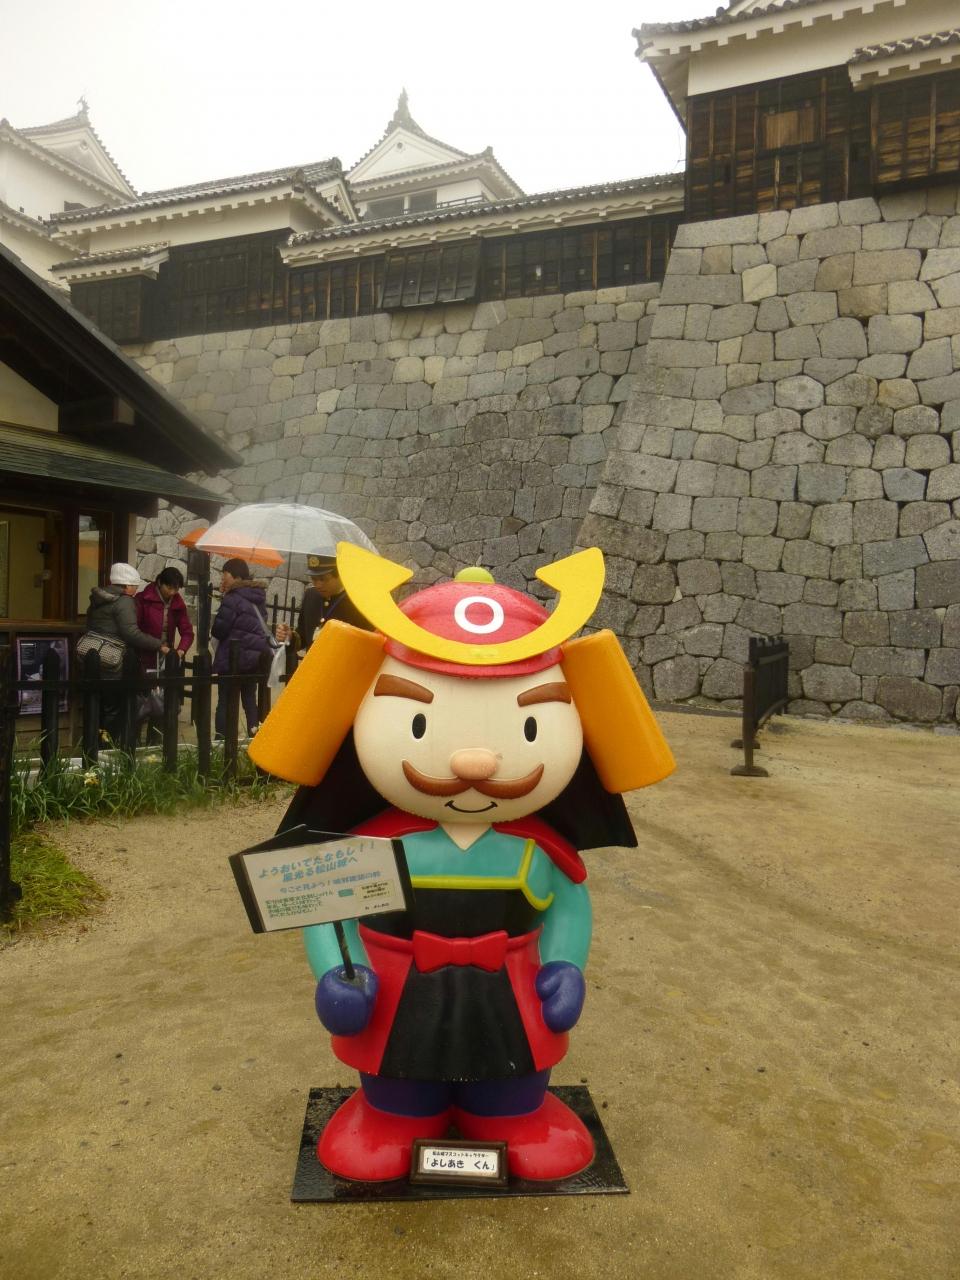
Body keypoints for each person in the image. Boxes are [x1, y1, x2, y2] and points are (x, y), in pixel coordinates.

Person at [248, 545, 676, 1183]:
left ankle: (512, 1114)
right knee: (397, 1078)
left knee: (513, 1074)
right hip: (398, 988)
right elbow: (328, 914)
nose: (474, 763)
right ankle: (392, 1114)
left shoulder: (536, 849)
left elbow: (567, 905)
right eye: (418, 724)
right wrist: (339, 972)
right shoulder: (371, 845)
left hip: (509, 988)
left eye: (529, 730)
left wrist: (564, 964)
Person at [85, 562, 170, 742]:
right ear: (126, 585)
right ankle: (108, 746)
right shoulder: (124, 601)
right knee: (114, 707)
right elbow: (131, 633)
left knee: (96, 705)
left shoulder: (98, 598)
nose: (136, 589)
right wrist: (158, 644)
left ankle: (92, 744)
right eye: (134, 585)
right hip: (112, 659)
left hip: (92, 656)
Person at [211, 557, 270, 739]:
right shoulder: (258, 597)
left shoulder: (233, 598)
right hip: (253, 658)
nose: (223, 579)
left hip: (232, 658)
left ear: (236, 577)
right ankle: (255, 737)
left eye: (225, 575)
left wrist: (225, 599)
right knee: (250, 700)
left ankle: (222, 741)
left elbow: (219, 629)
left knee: (225, 701)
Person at [135, 567, 194, 742]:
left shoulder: (177, 603)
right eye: (169, 587)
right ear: (159, 582)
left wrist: (181, 650)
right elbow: (135, 630)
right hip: (143, 656)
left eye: (176, 589)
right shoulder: (143, 600)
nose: (172, 592)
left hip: (165, 659)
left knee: (161, 701)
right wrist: (156, 646)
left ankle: (155, 742)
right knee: (140, 701)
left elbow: (187, 631)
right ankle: (133, 742)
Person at [275, 554, 372, 651]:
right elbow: (303, 636)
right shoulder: (310, 595)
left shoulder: (357, 603)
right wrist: (290, 637)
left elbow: (366, 645)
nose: (318, 585)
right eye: (314, 579)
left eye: (323, 579)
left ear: (339, 574)